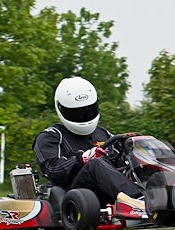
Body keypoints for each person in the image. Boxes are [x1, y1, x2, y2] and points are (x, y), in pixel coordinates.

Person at [33, 76, 145, 208]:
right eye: (76, 113)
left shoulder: (103, 133)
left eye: (88, 110)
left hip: (109, 189)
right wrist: (81, 159)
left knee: (141, 156)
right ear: (61, 109)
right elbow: (53, 170)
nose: (84, 116)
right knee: (95, 163)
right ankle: (140, 201)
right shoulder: (51, 136)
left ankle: (164, 193)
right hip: (76, 195)